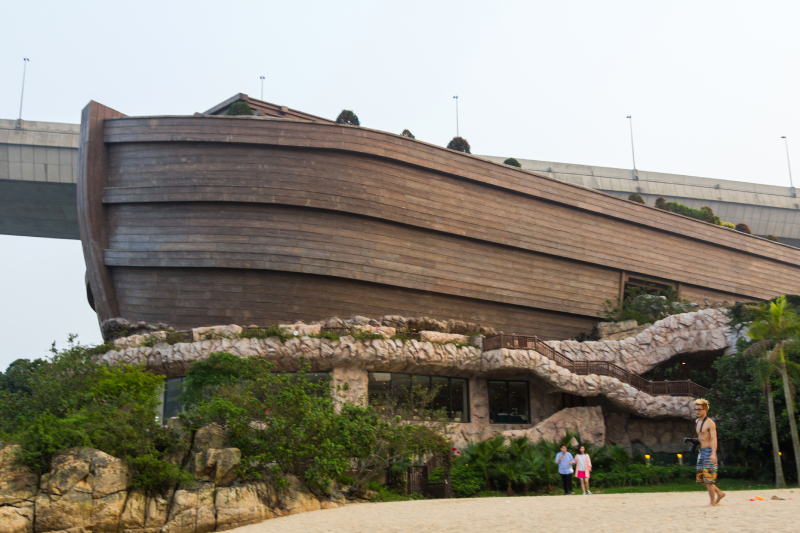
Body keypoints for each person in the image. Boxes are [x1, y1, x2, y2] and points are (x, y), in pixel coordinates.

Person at [694, 398, 726, 506]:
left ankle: (712, 502)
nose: (697, 411)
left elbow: (714, 439)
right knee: (701, 479)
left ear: (705, 409)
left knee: (709, 479)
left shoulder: (710, 423)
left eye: (699, 409)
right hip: (701, 451)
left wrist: (713, 454)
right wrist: (696, 441)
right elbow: (702, 436)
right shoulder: (697, 422)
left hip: (709, 451)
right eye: (696, 409)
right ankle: (719, 493)